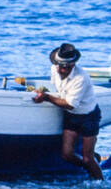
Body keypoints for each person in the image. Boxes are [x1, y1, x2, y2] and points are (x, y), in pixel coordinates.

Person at [33, 41, 103, 180]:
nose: (60, 70)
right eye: (59, 66)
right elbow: (56, 90)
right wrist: (41, 92)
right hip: (71, 117)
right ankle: (90, 166)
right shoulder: (55, 69)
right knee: (66, 154)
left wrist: (47, 98)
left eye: (65, 67)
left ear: (72, 65)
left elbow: (71, 104)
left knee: (87, 158)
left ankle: (100, 183)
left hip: (88, 116)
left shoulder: (80, 78)